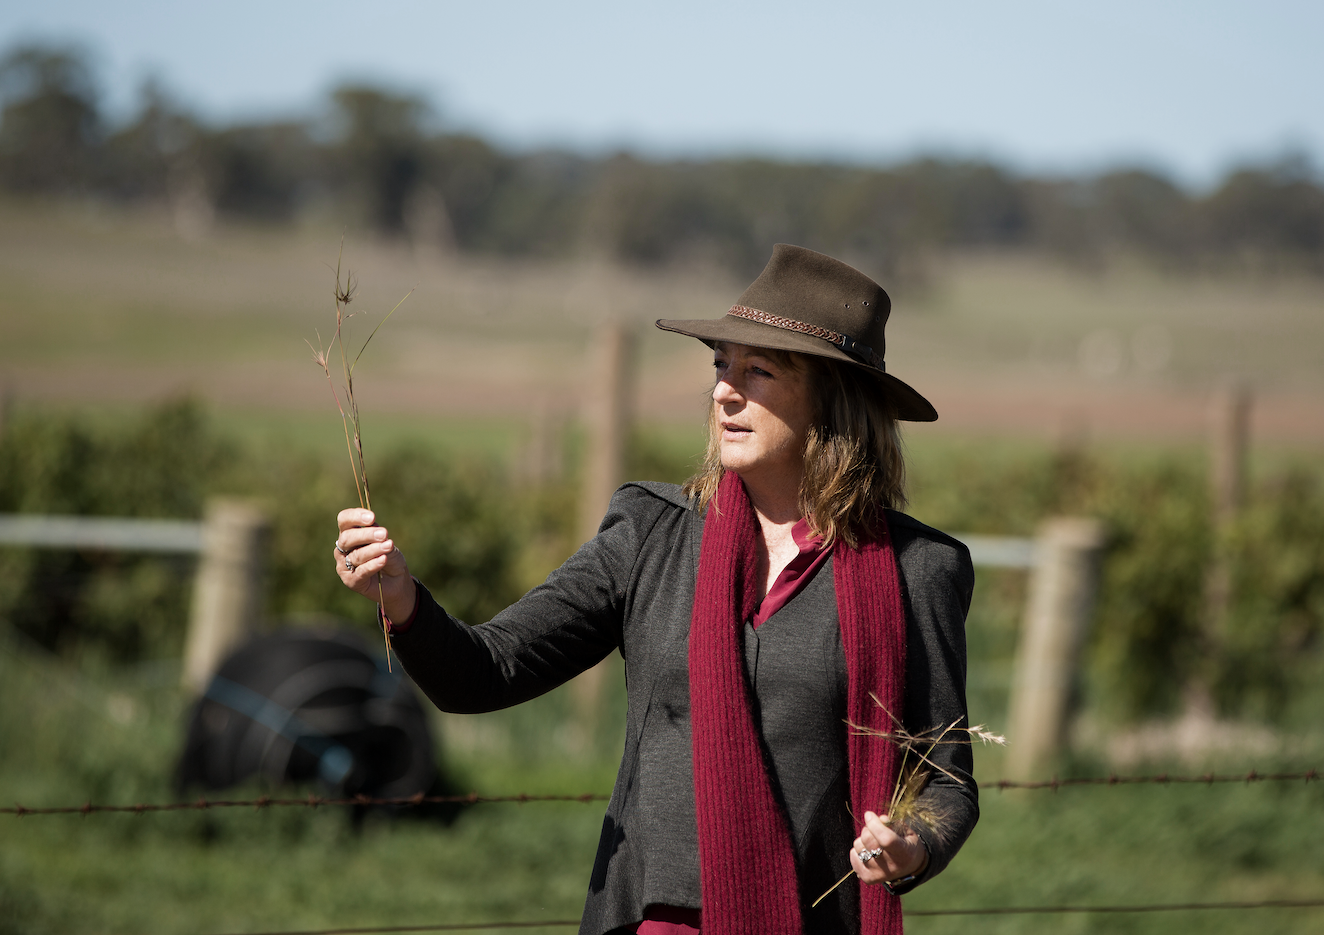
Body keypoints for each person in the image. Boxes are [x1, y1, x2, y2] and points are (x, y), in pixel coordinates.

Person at [334, 244, 978, 935]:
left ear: (833, 398)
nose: (725, 390)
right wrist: (401, 598)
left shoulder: (918, 569)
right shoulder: (652, 534)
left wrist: (911, 847)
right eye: (721, 365)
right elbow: (485, 673)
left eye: (758, 369)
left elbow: (946, 780)